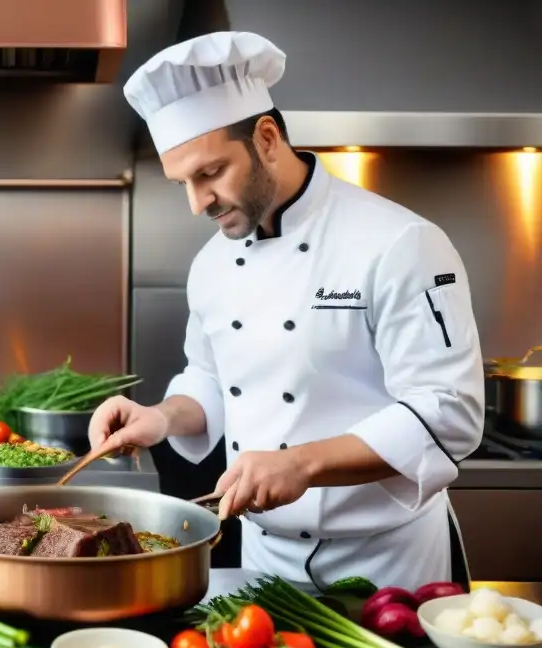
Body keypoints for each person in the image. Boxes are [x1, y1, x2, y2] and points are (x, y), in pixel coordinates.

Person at [88, 31, 485, 591]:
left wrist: (302, 463)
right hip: (264, 562)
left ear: (267, 137)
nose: (197, 203)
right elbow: (211, 379)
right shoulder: (212, 264)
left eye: (209, 173)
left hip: (386, 565)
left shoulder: (399, 242)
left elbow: (450, 413)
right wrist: (163, 417)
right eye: (182, 183)